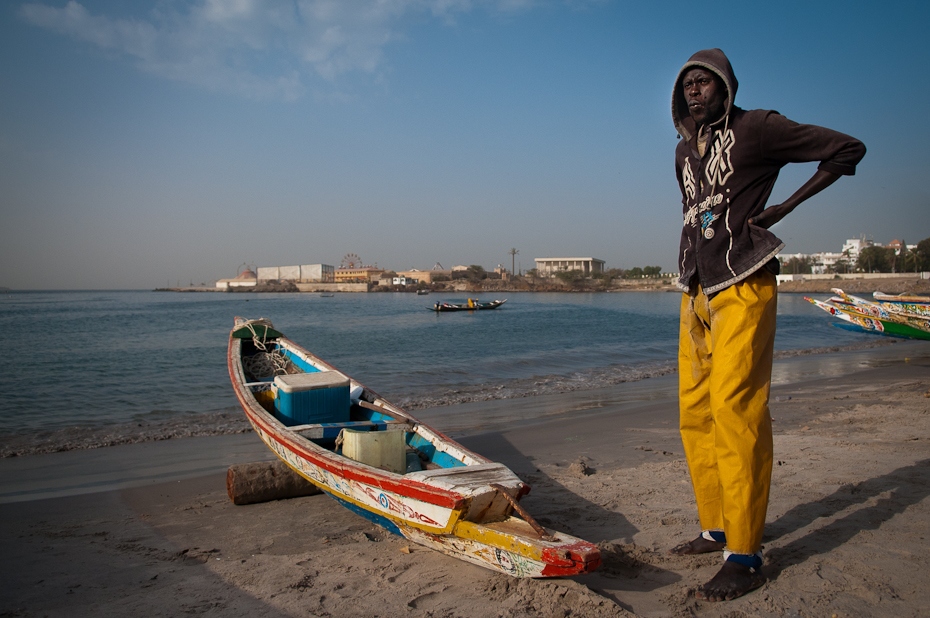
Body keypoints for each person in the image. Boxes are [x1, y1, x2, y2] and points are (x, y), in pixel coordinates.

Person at [669, 49, 865, 601]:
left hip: (745, 285)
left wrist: (784, 208)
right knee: (697, 412)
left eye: (704, 82)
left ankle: (746, 554)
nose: (694, 91)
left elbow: (846, 149)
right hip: (697, 291)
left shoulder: (759, 128)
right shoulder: (684, 148)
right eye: (687, 83)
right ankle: (718, 527)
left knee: (738, 409)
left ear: (725, 86)